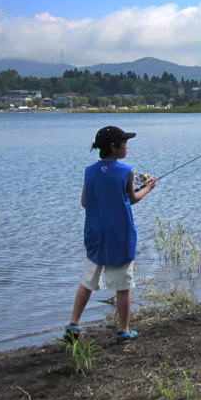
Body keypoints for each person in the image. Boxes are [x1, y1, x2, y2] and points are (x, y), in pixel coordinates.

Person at [65, 125, 157, 343]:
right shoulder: (127, 172)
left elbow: (84, 202)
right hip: (120, 235)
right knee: (123, 284)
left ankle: (73, 323)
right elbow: (133, 199)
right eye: (125, 143)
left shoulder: (89, 171)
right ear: (115, 146)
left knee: (87, 280)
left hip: (95, 233)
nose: (127, 147)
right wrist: (148, 188)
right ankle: (123, 330)